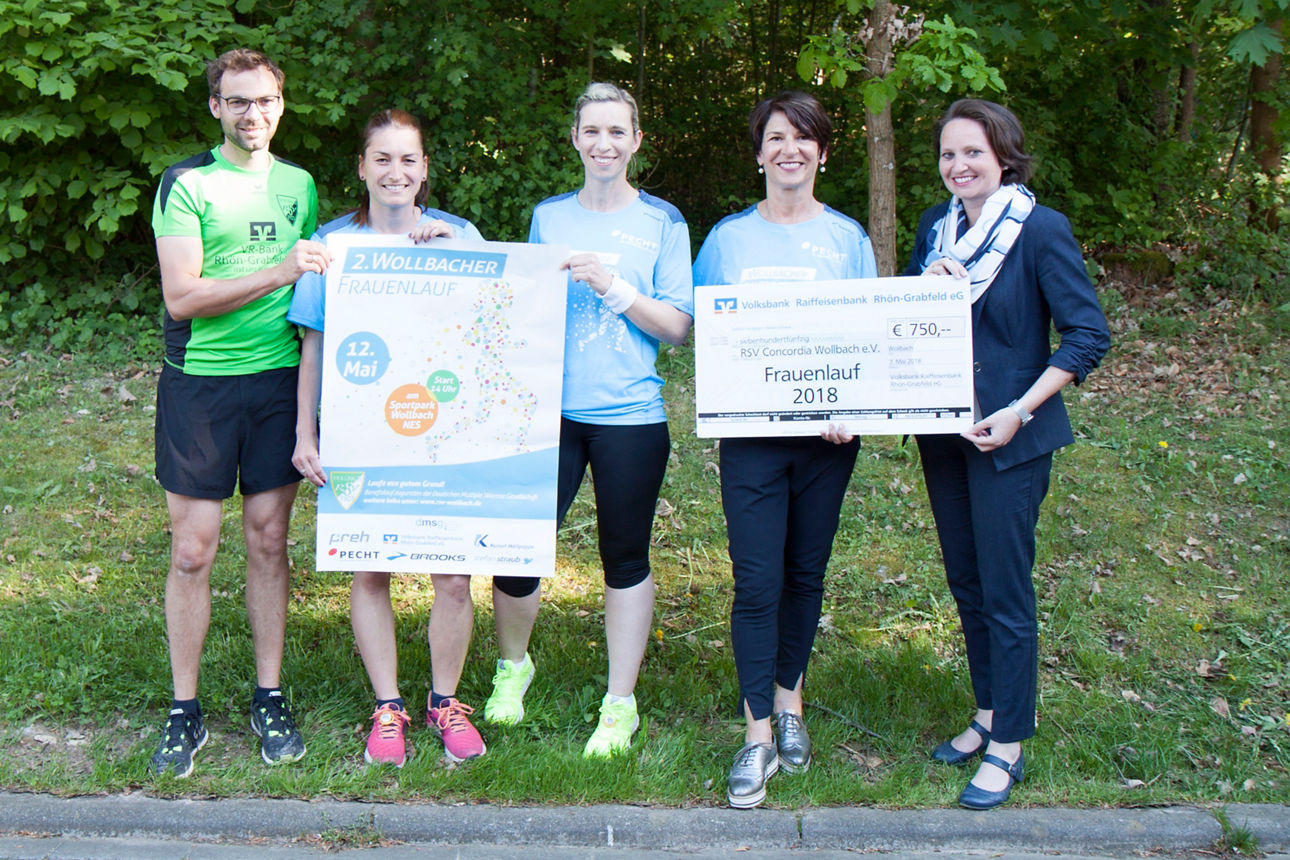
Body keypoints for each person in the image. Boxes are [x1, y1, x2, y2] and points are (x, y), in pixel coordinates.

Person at [905, 99, 1109, 809]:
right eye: (948, 155)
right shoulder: (936, 232)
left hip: (1011, 439)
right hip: (945, 435)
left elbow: (1087, 336)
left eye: (973, 153)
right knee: (967, 584)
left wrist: (1021, 411)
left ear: (1004, 156)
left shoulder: (1039, 230)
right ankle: (988, 712)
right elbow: (906, 327)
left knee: (1006, 591)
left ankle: (1010, 743)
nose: (959, 166)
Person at [486, 82, 694, 757]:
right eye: (591, 131)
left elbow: (678, 328)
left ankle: (619, 703)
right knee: (518, 549)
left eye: (617, 132)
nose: (604, 144)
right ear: (575, 139)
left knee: (624, 557)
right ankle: (513, 665)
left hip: (630, 414)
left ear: (636, 141)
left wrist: (615, 286)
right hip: (549, 414)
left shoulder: (663, 221)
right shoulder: (548, 217)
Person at [692, 91, 877, 809]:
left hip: (827, 441)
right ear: (759, 152)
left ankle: (792, 703)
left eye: (804, 138)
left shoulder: (847, 239)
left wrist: (850, 408)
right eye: (776, 138)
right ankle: (757, 733)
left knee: (805, 575)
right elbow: (708, 332)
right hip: (751, 442)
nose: (789, 149)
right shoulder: (728, 240)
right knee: (757, 582)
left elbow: (867, 338)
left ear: (823, 154)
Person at [289, 109, 488, 768]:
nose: (396, 171)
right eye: (383, 158)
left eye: (408, 159)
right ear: (362, 166)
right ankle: (388, 707)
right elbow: (313, 343)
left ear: (425, 168)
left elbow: (498, 327)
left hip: (443, 433)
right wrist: (305, 432)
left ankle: (445, 702)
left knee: (453, 575)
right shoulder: (332, 244)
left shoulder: (460, 235)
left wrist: (457, 260)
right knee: (370, 565)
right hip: (360, 430)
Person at [149, 48, 329, 777]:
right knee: (193, 551)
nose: (253, 114)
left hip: (279, 383)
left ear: (280, 104)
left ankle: (269, 694)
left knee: (267, 542)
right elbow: (182, 297)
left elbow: (318, 285)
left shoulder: (300, 184)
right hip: (201, 385)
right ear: (215, 108)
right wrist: (278, 272)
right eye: (237, 102)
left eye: (265, 101)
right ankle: (183, 710)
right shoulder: (185, 183)